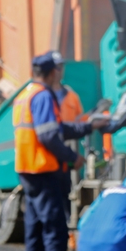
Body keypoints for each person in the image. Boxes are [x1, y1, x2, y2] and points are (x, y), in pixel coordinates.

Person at [14, 51, 109, 251]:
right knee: (55, 228)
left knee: (35, 228)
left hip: (28, 169)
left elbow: (56, 129)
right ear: (53, 72)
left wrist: (89, 126)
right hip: (45, 170)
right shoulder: (44, 95)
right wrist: (72, 158)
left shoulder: (25, 94)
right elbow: (49, 136)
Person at [47, 51, 85, 225]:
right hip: (49, 153)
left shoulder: (71, 96)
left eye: (61, 67)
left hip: (67, 150)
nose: (59, 71)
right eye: (56, 67)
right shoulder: (42, 97)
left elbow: (81, 123)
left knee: (66, 194)